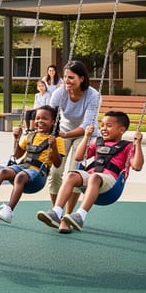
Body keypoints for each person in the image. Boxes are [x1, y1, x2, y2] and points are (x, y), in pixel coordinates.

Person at [38, 111, 144, 232]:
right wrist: (87, 137)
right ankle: (56, 212)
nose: (103, 128)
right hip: (92, 177)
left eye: (109, 126)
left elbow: (137, 166)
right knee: (72, 175)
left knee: (94, 177)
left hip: (110, 183)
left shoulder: (128, 146)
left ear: (121, 130)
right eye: (102, 125)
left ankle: (80, 216)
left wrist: (138, 143)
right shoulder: (98, 142)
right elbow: (79, 157)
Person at [0, 105, 64, 223]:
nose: (40, 121)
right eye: (37, 118)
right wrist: (16, 139)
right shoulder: (30, 135)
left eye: (44, 118)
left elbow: (58, 164)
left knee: (20, 176)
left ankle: (8, 211)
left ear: (53, 121)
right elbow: (17, 155)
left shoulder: (57, 140)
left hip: (38, 174)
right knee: (4, 171)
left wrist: (53, 146)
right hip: (23, 167)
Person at [46, 60, 102, 232]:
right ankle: (56, 212)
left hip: (85, 135)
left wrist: (64, 135)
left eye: (71, 77)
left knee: (74, 174)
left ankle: (67, 218)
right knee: (55, 173)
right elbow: (50, 114)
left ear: (82, 78)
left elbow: (86, 125)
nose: (66, 81)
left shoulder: (93, 96)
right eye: (65, 77)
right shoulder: (59, 93)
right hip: (64, 132)